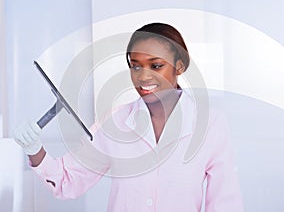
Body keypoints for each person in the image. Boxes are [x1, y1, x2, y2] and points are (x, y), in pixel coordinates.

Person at [13, 22, 244, 211]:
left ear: (180, 66)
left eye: (156, 66)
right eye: (135, 66)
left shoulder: (210, 124)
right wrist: (35, 150)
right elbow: (67, 181)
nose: (143, 77)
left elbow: (225, 204)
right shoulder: (116, 120)